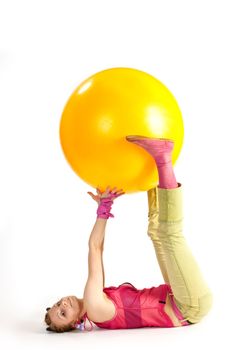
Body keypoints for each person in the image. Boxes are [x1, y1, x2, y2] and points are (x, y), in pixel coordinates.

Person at [44, 135, 213, 332]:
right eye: (63, 314)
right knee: (169, 234)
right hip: (187, 307)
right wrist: (104, 208)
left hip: (181, 298)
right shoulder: (93, 306)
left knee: (157, 232)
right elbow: (95, 248)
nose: (63, 305)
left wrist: (105, 208)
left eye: (57, 305)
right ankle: (162, 158)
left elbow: (99, 248)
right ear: (75, 323)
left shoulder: (95, 302)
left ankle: (153, 170)